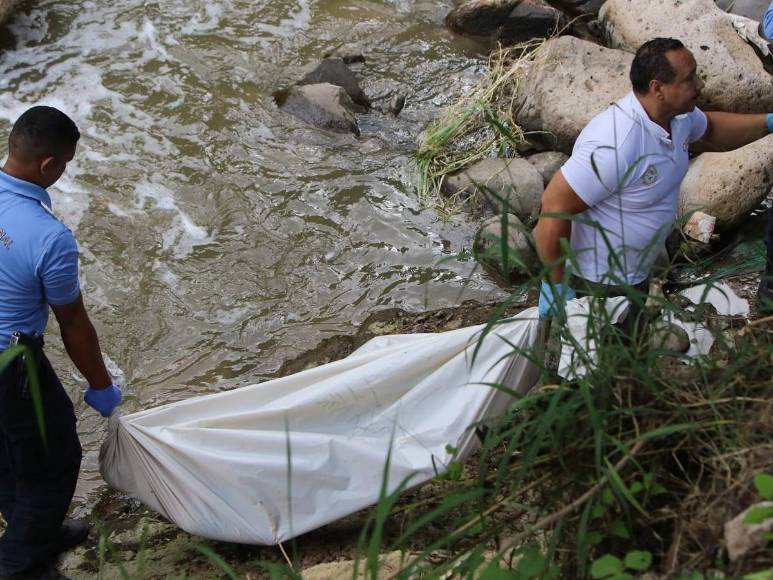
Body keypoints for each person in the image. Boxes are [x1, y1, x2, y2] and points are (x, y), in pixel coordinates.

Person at [534, 37, 773, 320]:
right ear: (657, 88)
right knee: (601, 358)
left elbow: (712, 129)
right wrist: (556, 284)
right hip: (596, 281)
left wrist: (767, 122)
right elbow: (554, 205)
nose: (699, 85)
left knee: (630, 348)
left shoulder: (678, 118)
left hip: (636, 273)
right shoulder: (616, 141)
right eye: (689, 79)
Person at [0, 106, 123, 579]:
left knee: (5, 450)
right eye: (65, 164)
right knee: (55, 464)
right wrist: (101, 387)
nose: (63, 172)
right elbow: (73, 324)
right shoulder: (51, 238)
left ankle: (34, 532)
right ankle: (18, 564)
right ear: (49, 165)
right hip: (10, 364)